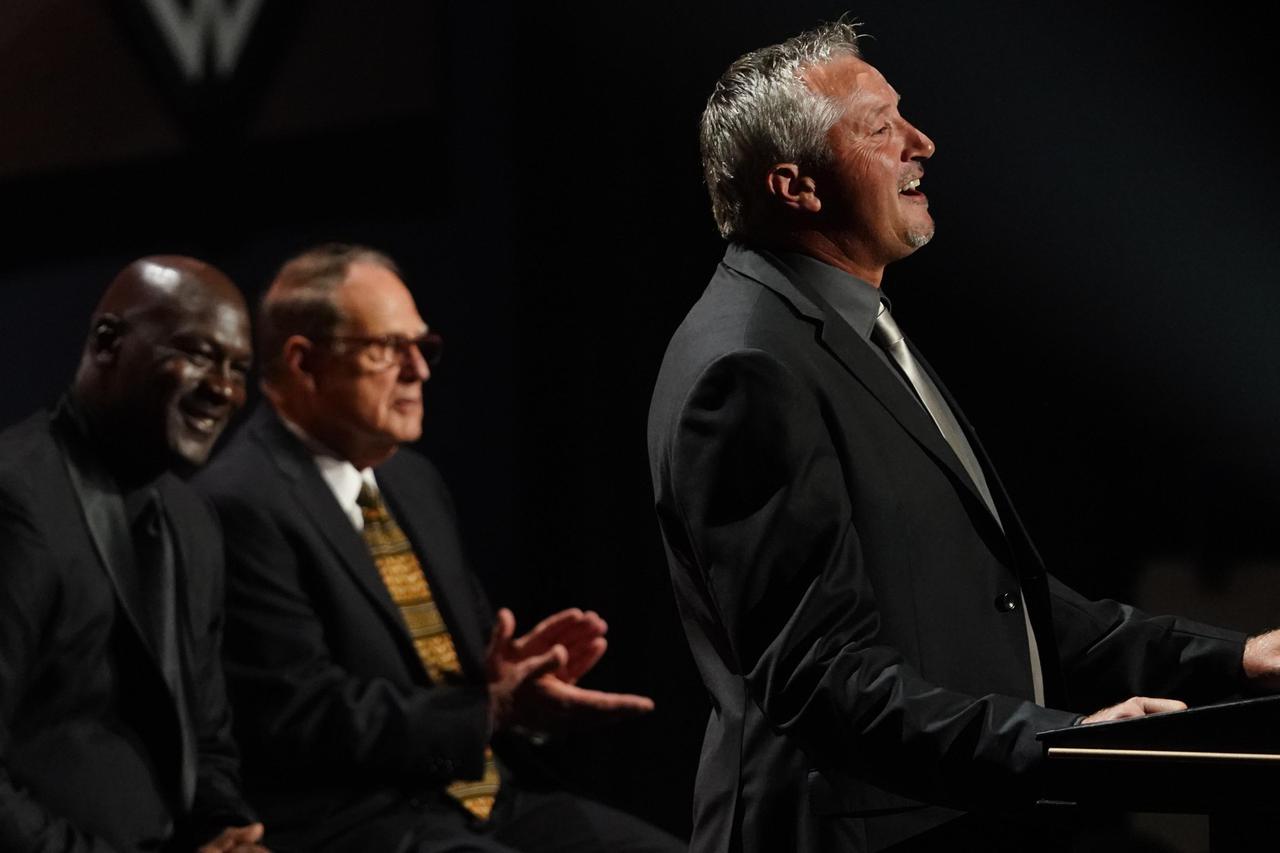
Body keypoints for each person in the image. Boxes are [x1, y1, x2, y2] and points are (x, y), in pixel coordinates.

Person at [647, 20, 1280, 853]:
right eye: (880, 128)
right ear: (796, 187)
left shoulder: (847, 325)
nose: (923, 142)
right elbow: (820, 676)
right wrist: (1059, 743)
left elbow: (993, 599)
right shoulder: (749, 367)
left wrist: (1238, 662)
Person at [192, 244, 684, 852]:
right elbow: (300, 713)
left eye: (421, 347)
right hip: (363, 822)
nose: (418, 371)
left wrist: (510, 677)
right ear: (303, 364)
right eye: (385, 350)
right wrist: (490, 710)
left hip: (488, 798)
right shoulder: (239, 501)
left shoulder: (412, 480)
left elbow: (467, 666)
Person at [0, 257, 266, 852]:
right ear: (107, 343)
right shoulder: (15, 499)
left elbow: (208, 741)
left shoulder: (193, 521)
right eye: (197, 353)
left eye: (238, 368)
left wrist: (229, 832)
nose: (223, 388)